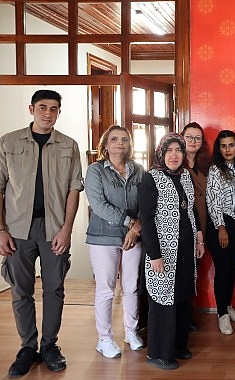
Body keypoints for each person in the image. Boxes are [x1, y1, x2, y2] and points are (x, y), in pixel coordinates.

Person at [0, 89, 83, 376]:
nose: (48, 113)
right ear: (31, 109)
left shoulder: (69, 146)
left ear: (59, 112)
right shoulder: (8, 142)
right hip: (17, 230)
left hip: (53, 230)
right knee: (20, 291)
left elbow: (74, 188)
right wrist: (1, 230)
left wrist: (66, 230)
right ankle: (27, 348)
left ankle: (49, 346)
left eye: (54, 109)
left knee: (54, 290)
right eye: (43, 107)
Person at [138, 133, 205, 370]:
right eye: (169, 151)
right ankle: (159, 353)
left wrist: (198, 237)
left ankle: (178, 346)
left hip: (186, 250)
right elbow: (145, 219)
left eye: (179, 150)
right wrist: (154, 254)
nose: (174, 155)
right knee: (163, 302)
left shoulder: (185, 175)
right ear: (161, 153)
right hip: (163, 252)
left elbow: (192, 210)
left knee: (182, 298)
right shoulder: (151, 178)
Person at [85, 125, 146, 359]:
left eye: (124, 139)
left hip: (133, 236)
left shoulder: (138, 170)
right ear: (106, 144)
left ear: (129, 144)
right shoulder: (96, 170)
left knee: (131, 286)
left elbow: (146, 200)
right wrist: (131, 222)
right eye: (114, 139)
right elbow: (98, 205)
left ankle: (131, 332)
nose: (120, 143)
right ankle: (105, 339)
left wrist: (137, 227)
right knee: (106, 289)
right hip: (103, 238)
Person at [206, 130, 235, 335]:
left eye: (231, 145)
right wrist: (221, 226)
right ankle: (221, 313)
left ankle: (228, 306)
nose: (228, 149)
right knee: (222, 270)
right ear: (218, 149)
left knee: (232, 268)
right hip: (221, 226)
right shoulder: (215, 170)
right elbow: (212, 201)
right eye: (223, 146)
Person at [181, 122, 211, 333]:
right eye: (189, 137)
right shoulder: (174, 162)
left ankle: (188, 314)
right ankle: (180, 316)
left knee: (194, 272)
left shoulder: (206, 164)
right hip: (182, 228)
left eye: (197, 138)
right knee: (181, 273)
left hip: (203, 226)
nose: (192, 141)